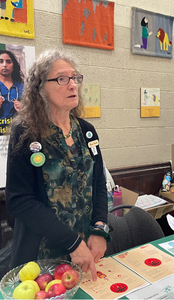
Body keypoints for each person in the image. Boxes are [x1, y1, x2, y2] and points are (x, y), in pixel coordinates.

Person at [6, 49, 109, 281]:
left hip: (85, 256)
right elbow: (19, 200)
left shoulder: (87, 131)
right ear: (40, 87)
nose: (73, 85)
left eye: (75, 78)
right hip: (41, 258)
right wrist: (72, 242)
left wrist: (100, 228)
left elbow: (99, 184)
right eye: (62, 79)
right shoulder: (26, 133)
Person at [0, 50, 24, 133]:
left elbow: (33, 113)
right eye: (1, 61)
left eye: (8, 62)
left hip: (18, 133)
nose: (5, 65)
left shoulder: (22, 87)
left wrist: (23, 108)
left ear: (13, 66)